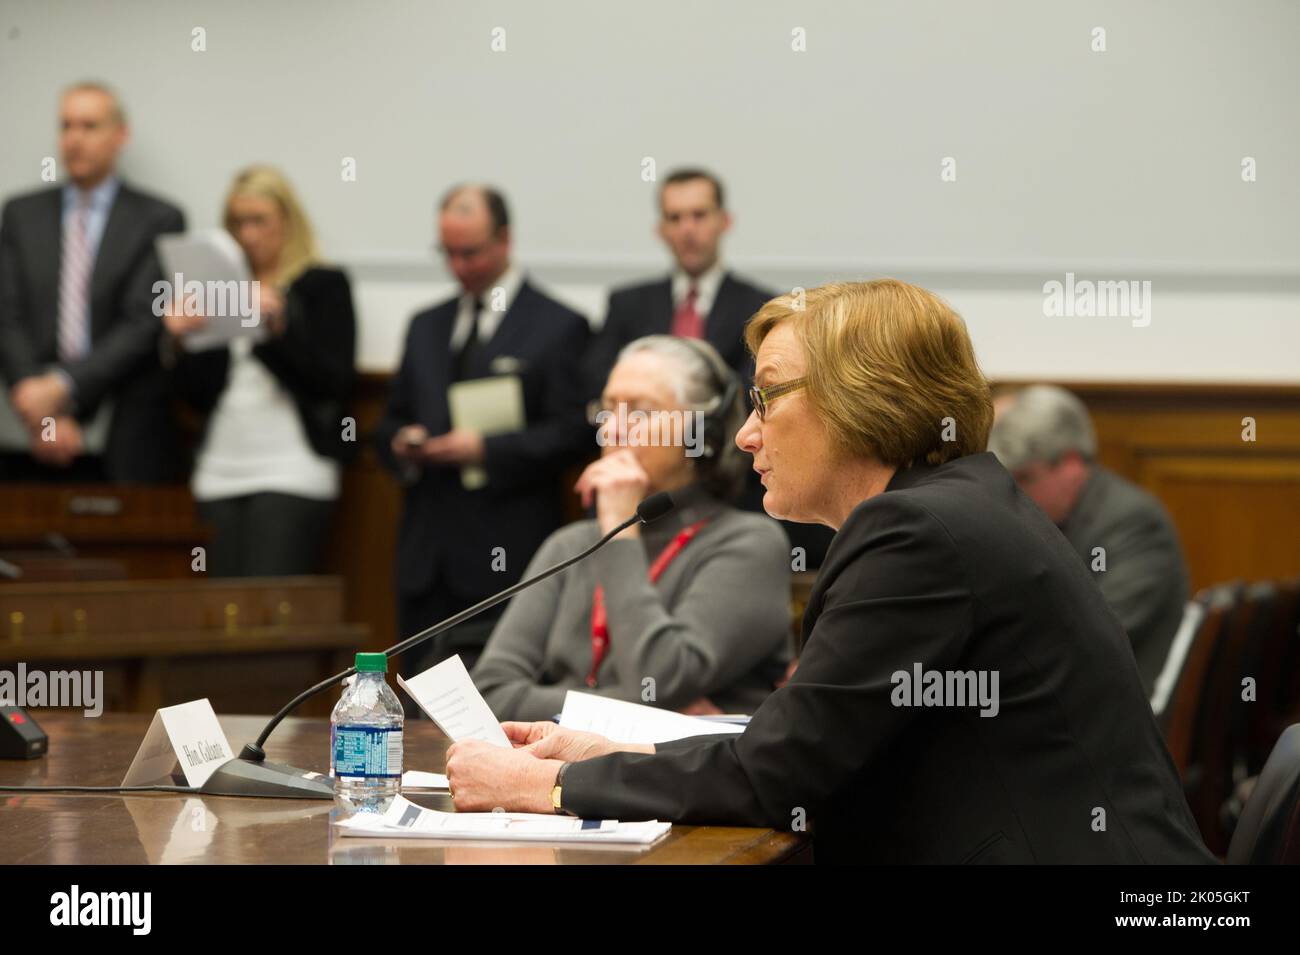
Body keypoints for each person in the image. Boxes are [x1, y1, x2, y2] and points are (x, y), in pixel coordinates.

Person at [445, 279, 1216, 865]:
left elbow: (777, 773)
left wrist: (541, 788)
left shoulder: (918, 531)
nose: (745, 434)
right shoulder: (959, 504)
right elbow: (799, 745)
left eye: (767, 396)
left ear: (862, 397)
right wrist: (607, 754)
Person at [472, 335, 791, 721]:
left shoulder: (750, 543)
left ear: (703, 435)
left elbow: (659, 679)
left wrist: (621, 534)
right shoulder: (570, 544)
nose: (614, 430)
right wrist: (642, 709)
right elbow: (489, 695)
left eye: (641, 412)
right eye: (607, 410)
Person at [374, 185, 592, 679]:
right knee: (417, 702)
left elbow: (572, 433)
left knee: (498, 700)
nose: (458, 266)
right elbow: (388, 419)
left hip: (508, 554)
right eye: (447, 253)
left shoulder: (558, 325)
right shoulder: (426, 325)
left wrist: (485, 450)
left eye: (469, 252)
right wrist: (403, 443)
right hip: (427, 556)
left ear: (504, 240)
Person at [585, 166, 833, 566]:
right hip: (646, 492)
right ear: (661, 230)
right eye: (675, 218)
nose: (688, 229)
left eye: (699, 215)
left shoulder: (762, 306)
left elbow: (753, 398)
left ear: (724, 221)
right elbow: (599, 386)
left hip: (738, 488)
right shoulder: (628, 304)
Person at [163, 166, 356, 577]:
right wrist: (181, 343)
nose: (248, 235)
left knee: (272, 609)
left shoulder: (322, 284)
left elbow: (330, 383)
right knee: (220, 612)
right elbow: (195, 396)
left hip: (293, 467)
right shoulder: (217, 289)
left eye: (259, 221)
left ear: (287, 221)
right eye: (237, 222)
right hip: (219, 467)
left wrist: (274, 332)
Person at [0, 82, 184, 482]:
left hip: (120, 419)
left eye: (89, 126)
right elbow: (7, 315)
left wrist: (64, 388)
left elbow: (142, 322)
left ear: (121, 135)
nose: (74, 139)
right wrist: (39, 405)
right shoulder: (21, 214)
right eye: (66, 126)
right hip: (24, 416)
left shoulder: (158, 218)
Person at [988, 385, 1189, 697]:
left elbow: (1096, 634)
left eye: (1025, 478)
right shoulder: (1049, 518)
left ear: (1071, 464)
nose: (1013, 492)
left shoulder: (1133, 521)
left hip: (1117, 715)